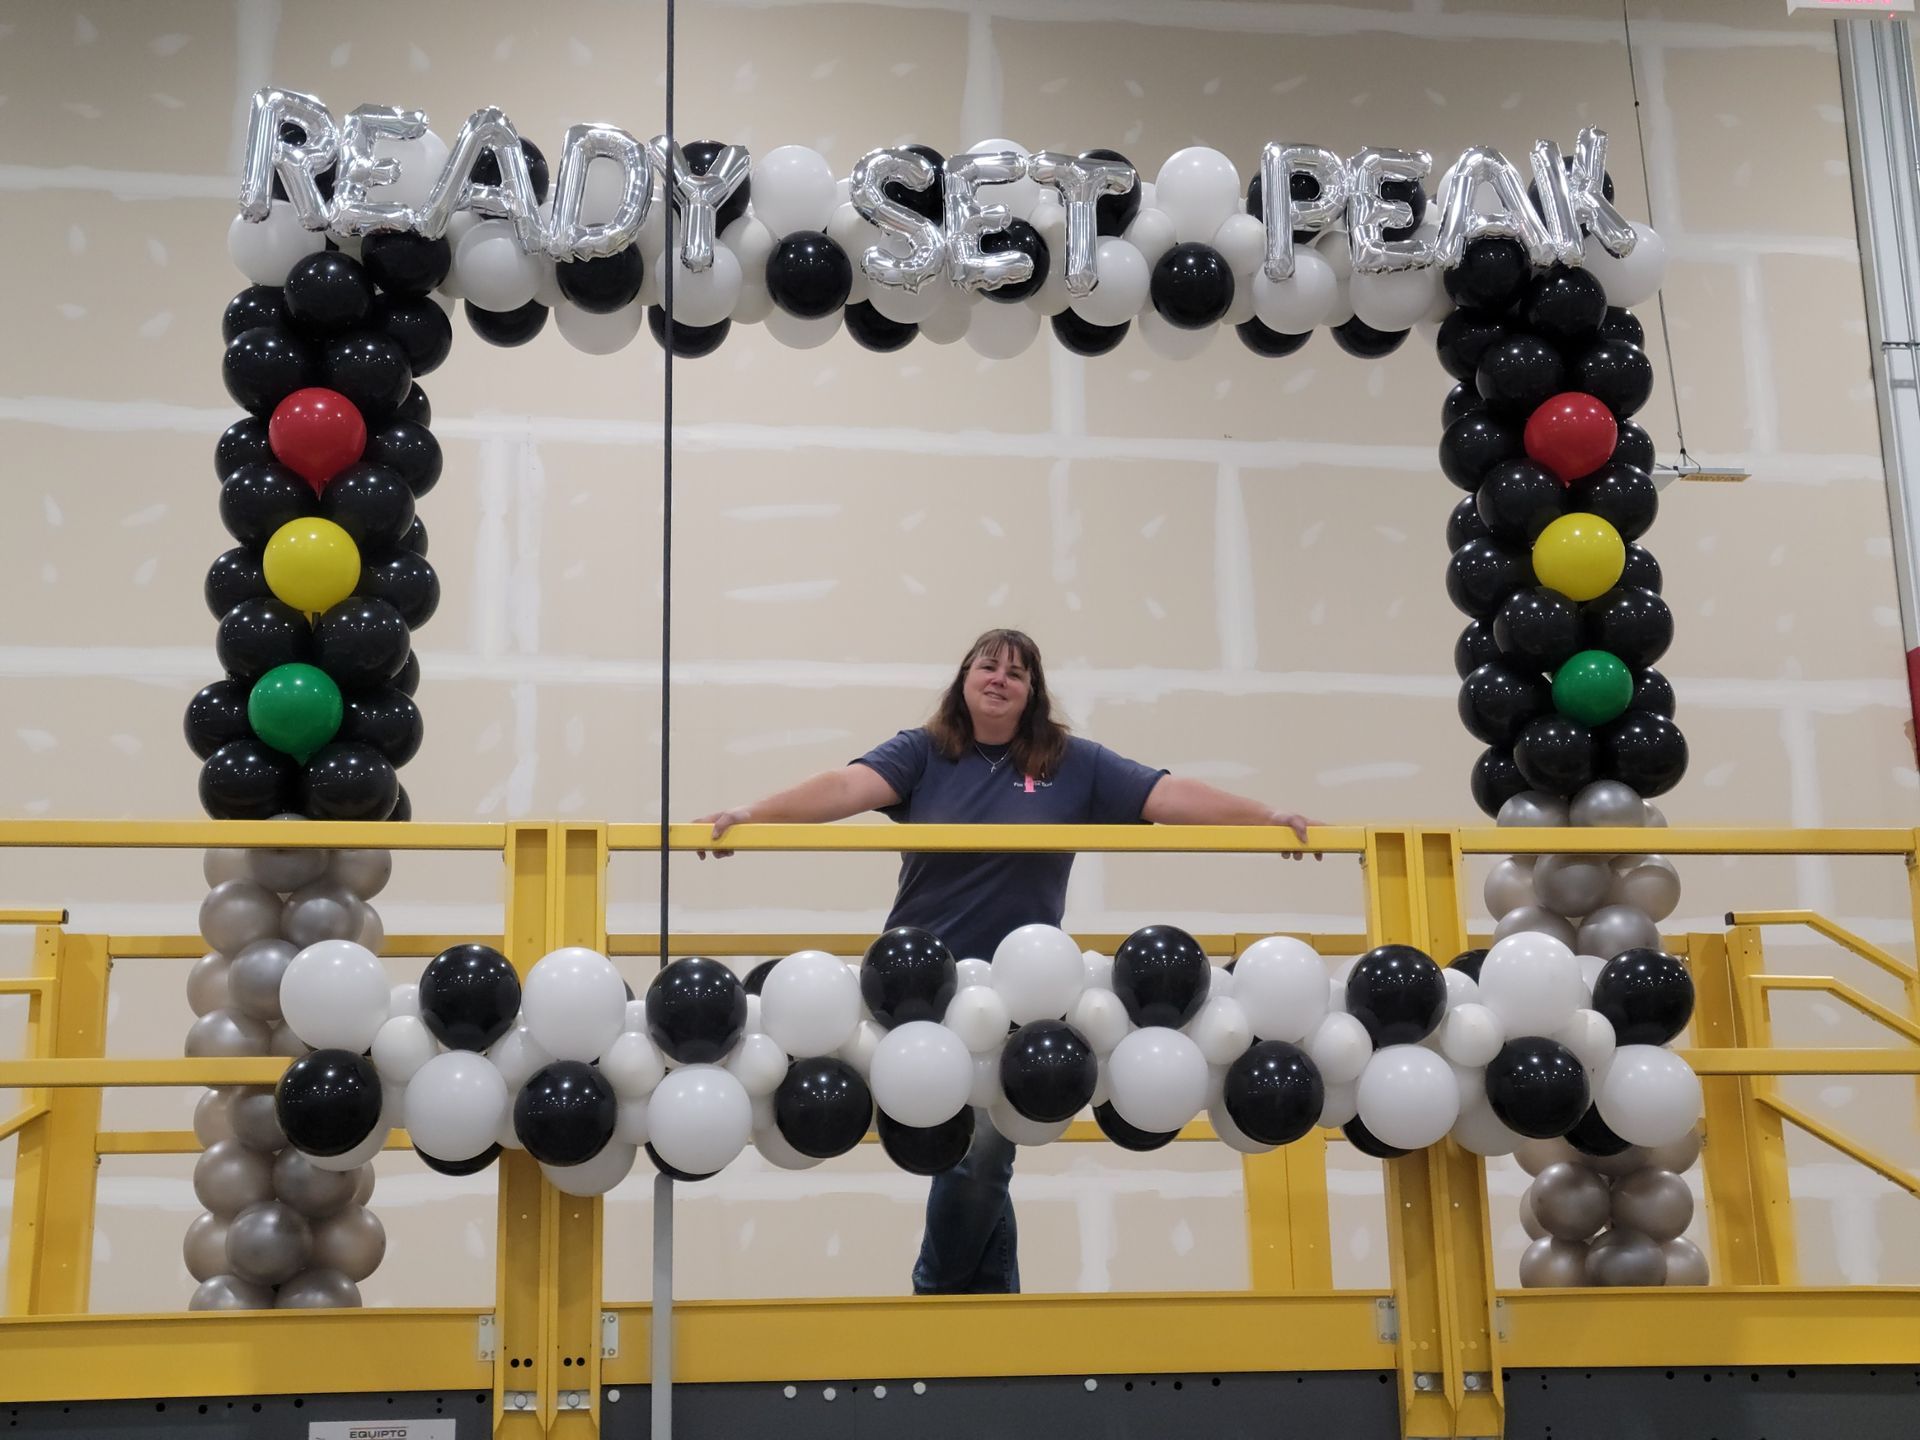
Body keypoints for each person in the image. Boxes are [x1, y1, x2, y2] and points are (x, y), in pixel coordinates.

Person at [696, 627, 1317, 1295]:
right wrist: (752, 815)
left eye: (1016, 673)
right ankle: (991, 1305)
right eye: (987, 667)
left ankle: (941, 1295)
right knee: (966, 1150)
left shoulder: (1072, 763)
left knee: (984, 1152)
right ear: (964, 680)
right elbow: (845, 788)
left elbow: (1167, 797)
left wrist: (1266, 818)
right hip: (920, 986)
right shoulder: (924, 752)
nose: (999, 679)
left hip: (1020, 990)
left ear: (1032, 692)